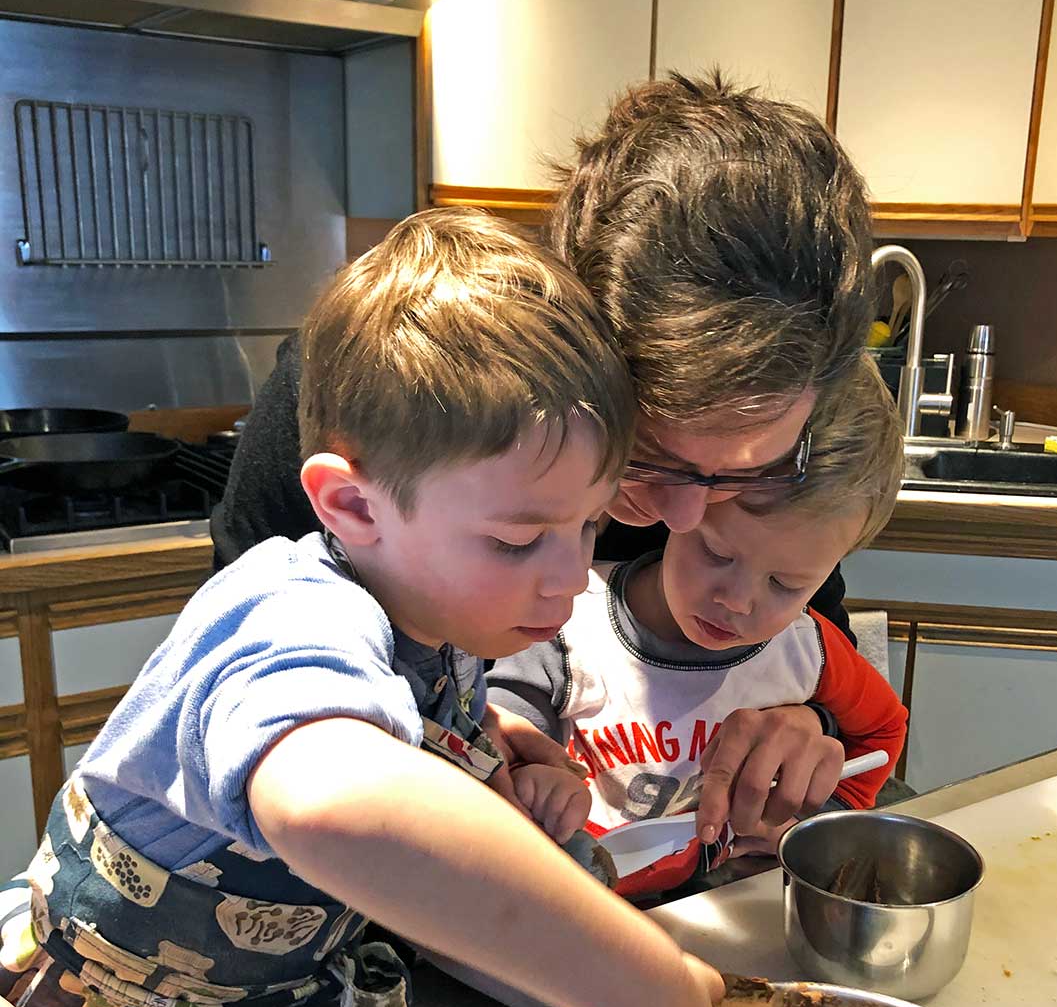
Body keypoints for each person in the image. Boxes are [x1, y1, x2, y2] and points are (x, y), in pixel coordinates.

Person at [0, 211, 727, 1007]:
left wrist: (495, 756)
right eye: (518, 540)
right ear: (351, 505)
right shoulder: (286, 609)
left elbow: (414, 773)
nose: (568, 575)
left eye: (588, 525)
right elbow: (330, 798)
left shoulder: (443, 618)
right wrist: (637, 984)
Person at [211, 72, 876, 847]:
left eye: (748, 470)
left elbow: (817, 637)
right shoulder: (369, 403)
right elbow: (255, 706)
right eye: (653, 457)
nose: (687, 515)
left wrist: (804, 720)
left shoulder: (793, 415)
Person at [488, 357, 906, 853]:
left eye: (786, 584)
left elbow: (880, 730)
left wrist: (810, 831)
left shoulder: (810, 644)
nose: (737, 600)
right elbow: (501, 742)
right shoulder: (567, 618)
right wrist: (535, 782)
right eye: (716, 554)